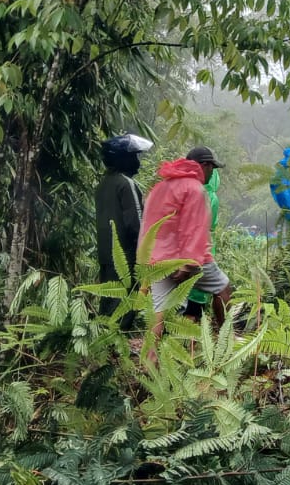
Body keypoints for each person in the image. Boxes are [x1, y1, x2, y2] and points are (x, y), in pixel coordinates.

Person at [140, 147, 231, 336]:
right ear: (204, 166)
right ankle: (226, 339)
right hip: (184, 258)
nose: (212, 173)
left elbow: (148, 224)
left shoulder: (161, 187)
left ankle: (151, 358)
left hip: (157, 260)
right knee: (223, 288)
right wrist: (187, 265)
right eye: (212, 168)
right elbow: (194, 229)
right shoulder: (194, 188)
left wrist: (146, 263)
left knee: (159, 313)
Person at [95, 133, 153, 326]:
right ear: (123, 159)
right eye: (134, 156)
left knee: (108, 299)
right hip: (125, 255)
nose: (137, 161)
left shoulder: (103, 184)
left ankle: (105, 343)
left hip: (105, 253)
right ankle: (117, 345)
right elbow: (136, 224)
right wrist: (146, 255)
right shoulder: (126, 184)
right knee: (124, 304)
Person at [185, 157, 223, 322]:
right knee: (196, 305)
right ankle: (224, 333)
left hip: (179, 252)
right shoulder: (211, 197)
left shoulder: (183, 189)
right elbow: (211, 225)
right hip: (200, 253)